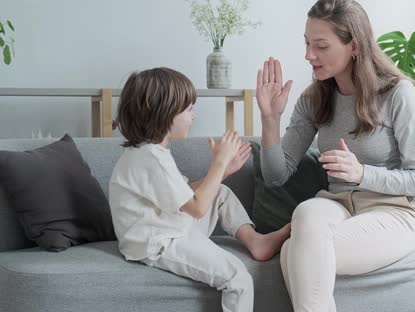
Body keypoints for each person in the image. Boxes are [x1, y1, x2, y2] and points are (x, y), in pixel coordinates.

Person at [254, 0, 415, 311]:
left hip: (394, 212)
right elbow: (276, 175)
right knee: (307, 214)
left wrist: (362, 174)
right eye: (307, 43)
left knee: (293, 251)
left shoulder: (398, 94)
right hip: (337, 206)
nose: (308, 55)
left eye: (321, 46)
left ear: (354, 45)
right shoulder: (314, 98)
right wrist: (270, 118)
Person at [109, 67, 291, 312]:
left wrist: (223, 172)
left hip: (167, 226)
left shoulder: (150, 152)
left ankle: (255, 241)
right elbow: (196, 207)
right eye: (188, 110)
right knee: (238, 279)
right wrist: (218, 163)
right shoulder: (150, 158)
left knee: (221, 193)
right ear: (163, 113)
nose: (193, 116)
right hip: (158, 242)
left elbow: (184, 194)